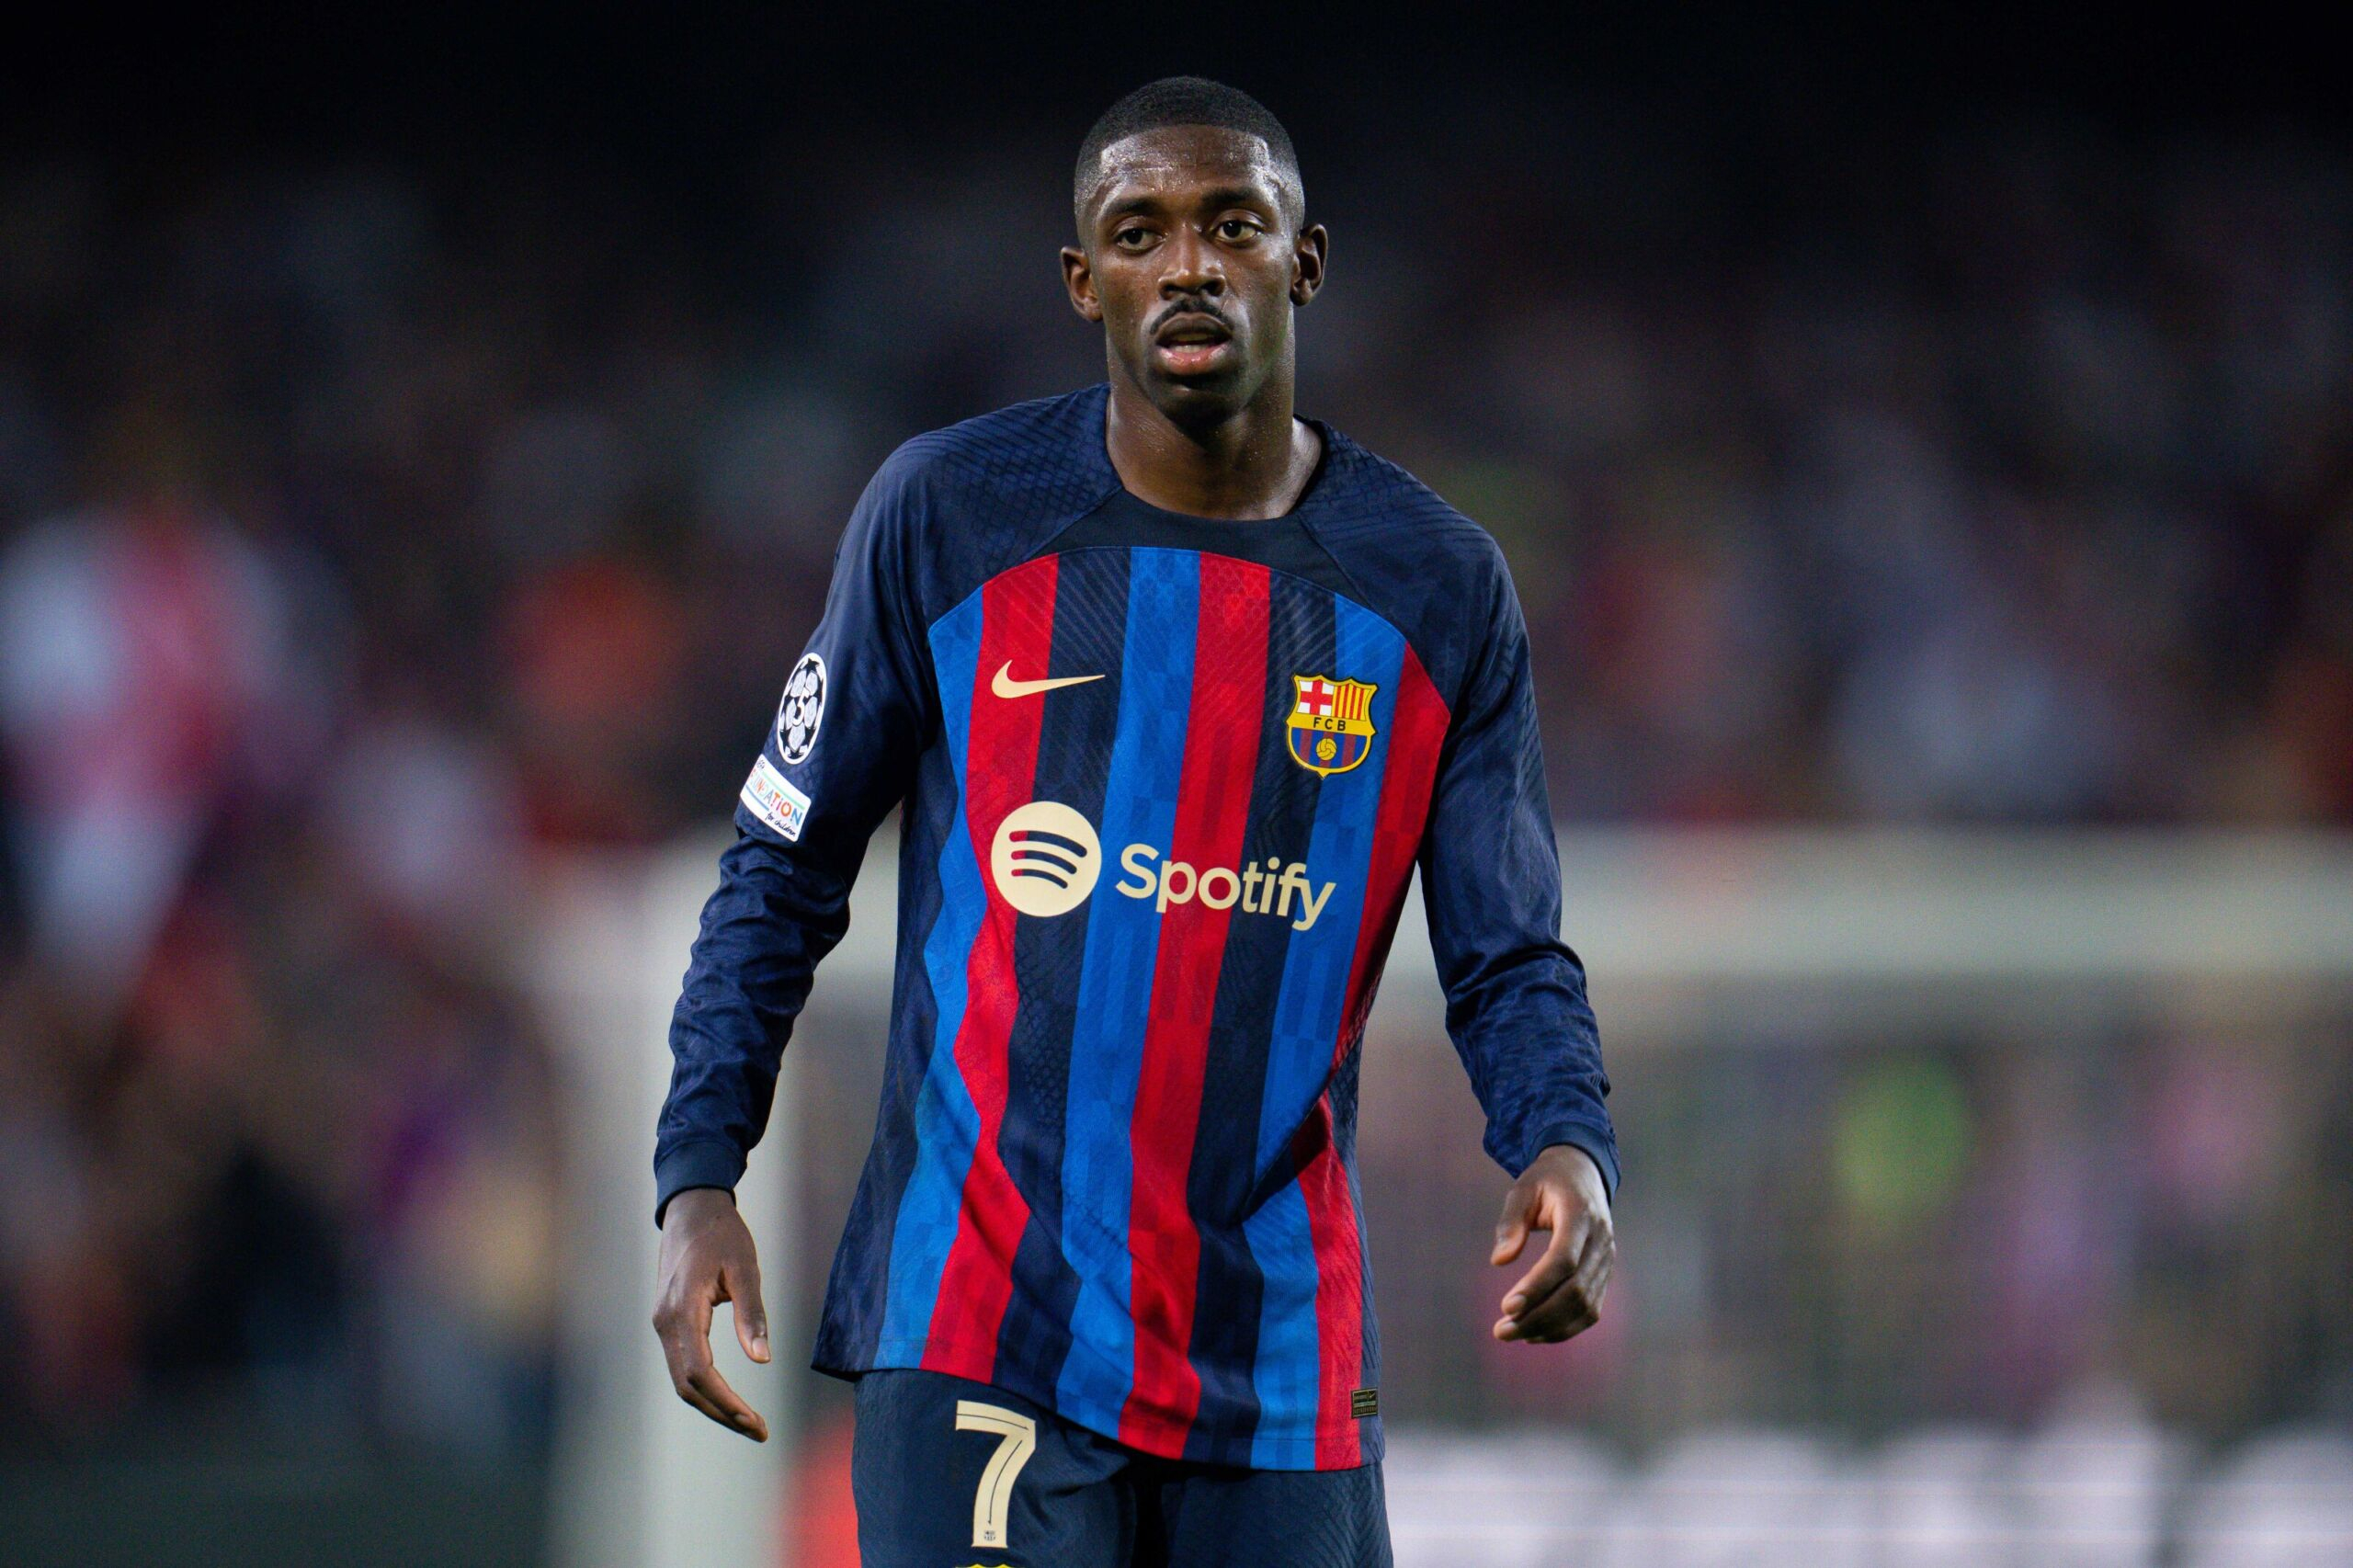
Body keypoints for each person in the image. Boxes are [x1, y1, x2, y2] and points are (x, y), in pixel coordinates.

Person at [652, 75, 1617, 1567]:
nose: (1188, 266)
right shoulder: (951, 513)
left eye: (1232, 225)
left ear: (1304, 260)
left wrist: (1566, 1138)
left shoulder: (1436, 584)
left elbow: (1510, 951)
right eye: (1139, 231)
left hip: (1277, 1361)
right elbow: (781, 869)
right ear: (1081, 278)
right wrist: (699, 1170)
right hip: (983, 1318)